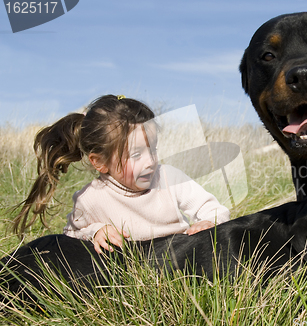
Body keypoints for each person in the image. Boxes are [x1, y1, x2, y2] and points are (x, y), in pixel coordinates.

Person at [13, 94, 230, 253]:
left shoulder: (169, 177)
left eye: (152, 149)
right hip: (130, 271)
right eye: (135, 155)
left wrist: (208, 222)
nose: (150, 161)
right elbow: (70, 238)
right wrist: (96, 231)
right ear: (99, 162)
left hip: (177, 259)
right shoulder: (90, 198)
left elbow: (211, 208)